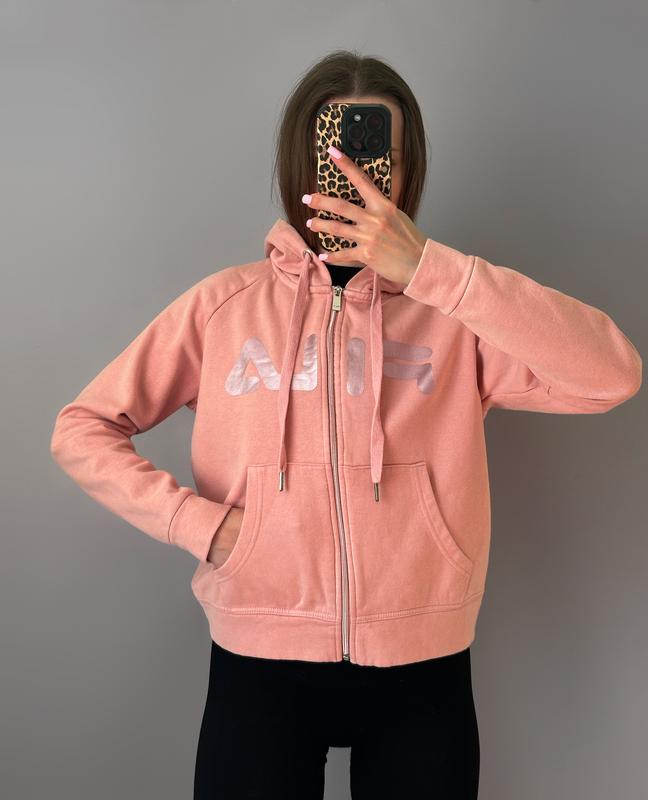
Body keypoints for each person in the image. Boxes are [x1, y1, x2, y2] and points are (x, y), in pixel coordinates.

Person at [49, 51, 642, 799]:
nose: (357, 175)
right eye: (336, 153)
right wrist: (201, 526)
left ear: (406, 166)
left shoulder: (456, 316)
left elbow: (612, 374)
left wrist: (431, 269)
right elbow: (83, 426)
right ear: (301, 161)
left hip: (422, 667)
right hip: (259, 661)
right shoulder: (224, 309)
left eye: (376, 154)